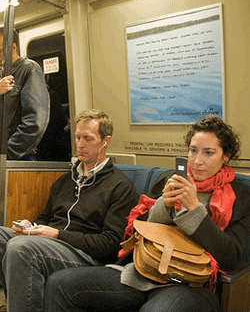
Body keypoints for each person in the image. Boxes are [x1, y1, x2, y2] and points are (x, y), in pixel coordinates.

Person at [44, 116, 250, 312]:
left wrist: (195, 210)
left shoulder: (239, 198)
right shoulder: (170, 179)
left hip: (189, 282)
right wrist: (164, 204)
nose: (197, 161)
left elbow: (229, 256)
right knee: (60, 283)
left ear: (226, 156)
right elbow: (135, 230)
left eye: (208, 153)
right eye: (193, 150)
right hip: (144, 270)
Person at [0, 109, 139, 312]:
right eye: (77, 137)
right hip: (51, 244)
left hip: (86, 255)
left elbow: (110, 244)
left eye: (88, 139)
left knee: (21, 248)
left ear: (105, 141)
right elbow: (45, 217)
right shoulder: (66, 180)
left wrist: (56, 234)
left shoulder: (120, 186)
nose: (80, 145)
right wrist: (30, 227)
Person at [0, 28, 50, 160]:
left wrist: (6, 153)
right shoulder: (1, 75)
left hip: (18, 156)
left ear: (13, 47)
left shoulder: (29, 69)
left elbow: (35, 122)